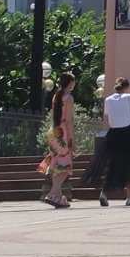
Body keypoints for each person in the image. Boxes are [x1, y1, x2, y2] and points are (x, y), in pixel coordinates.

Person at [96, 76, 130, 205]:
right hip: (126, 133)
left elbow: (107, 116)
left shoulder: (108, 99)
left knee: (112, 164)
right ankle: (129, 197)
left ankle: (104, 193)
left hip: (113, 134)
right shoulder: (129, 97)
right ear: (127, 87)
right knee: (129, 163)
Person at [40, 71, 78, 207]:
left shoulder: (56, 96)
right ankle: (52, 193)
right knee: (65, 166)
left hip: (54, 131)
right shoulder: (69, 97)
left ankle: (58, 197)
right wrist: (72, 141)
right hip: (63, 132)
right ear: (70, 83)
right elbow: (68, 120)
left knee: (57, 164)